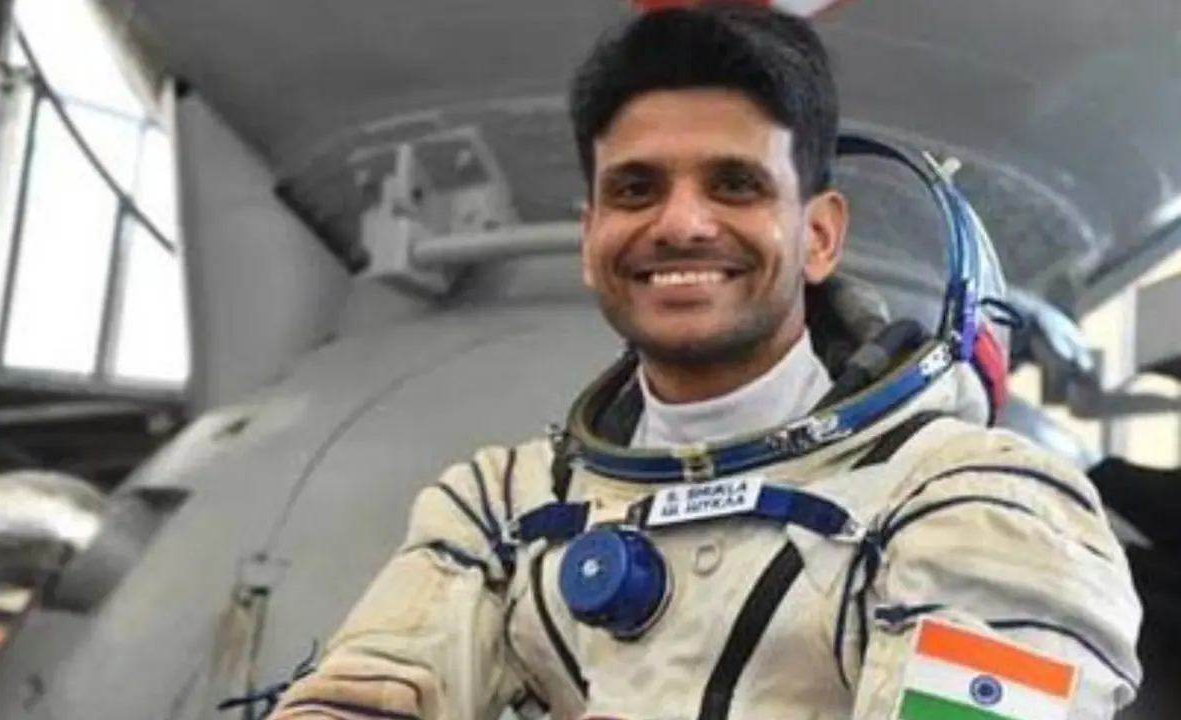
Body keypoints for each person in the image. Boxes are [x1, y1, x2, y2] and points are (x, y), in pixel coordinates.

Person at [268, 2, 1143, 718]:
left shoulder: (981, 503)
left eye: (735, 184)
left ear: (819, 235)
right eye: (636, 189)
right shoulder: (504, 508)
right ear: (591, 238)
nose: (682, 223)